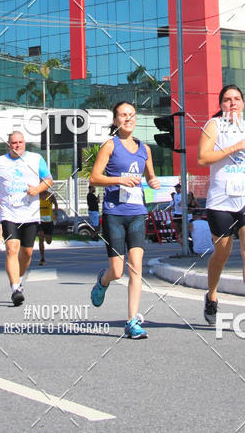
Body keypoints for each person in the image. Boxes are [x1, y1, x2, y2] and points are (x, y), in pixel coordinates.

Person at [198, 84, 245, 331]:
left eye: (237, 99)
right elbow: (203, 158)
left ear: (242, 103)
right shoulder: (213, 126)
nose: (232, 103)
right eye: (227, 100)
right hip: (221, 200)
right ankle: (212, 295)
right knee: (222, 253)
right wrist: (232, 147)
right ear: (221, 105)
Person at [89, 101, 161, 339]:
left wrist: (153, 182)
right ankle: (103, 280)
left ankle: (132, 320)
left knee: (136, 267)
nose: (127, 119)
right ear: (116, 120)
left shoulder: (145, 149)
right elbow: (95, 178)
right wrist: (119, 180)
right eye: (122, 115)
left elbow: (150, 176)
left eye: (131, 115)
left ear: (136, 118)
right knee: (118, 271)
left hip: (137, 212)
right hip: (114, 214)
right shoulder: (110, 145)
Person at [0, 130, 54, 306]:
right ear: (8, 144)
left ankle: (19, 278)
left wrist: (37, 190)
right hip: (9, 212)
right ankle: (15, 288)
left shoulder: (35, 159)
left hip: (30, 212)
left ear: (25, 143)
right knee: (11, 248)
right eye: (14, 143)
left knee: (27, 253)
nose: (17, 145)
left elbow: (48, 179)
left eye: (20, 142)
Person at [37, 187, 59, 265]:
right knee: (40, 237)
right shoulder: (37, 196)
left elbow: (56, 204)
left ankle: (47, 237)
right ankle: (42, 258)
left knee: (48, 241)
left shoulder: (50, 195)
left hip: (49, 221)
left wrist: (56, 214)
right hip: (40, 221)